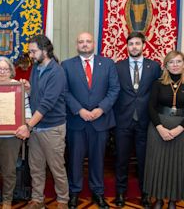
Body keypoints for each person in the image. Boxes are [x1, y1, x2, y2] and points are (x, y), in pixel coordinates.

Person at [61, 32, 120, 209]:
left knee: (98, 159)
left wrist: (101, 108)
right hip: (76, 121)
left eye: (88, 41)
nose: (85, 44)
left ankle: (98, 192)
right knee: (75, 160)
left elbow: (114, 89)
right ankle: (74, 193)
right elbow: (64, 91)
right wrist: (79, 110)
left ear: (94, 44)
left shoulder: (108, 64)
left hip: (100, 120)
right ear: (76, 45)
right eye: (81, 42)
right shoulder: (66, 65)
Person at [15, 34, 69, 209]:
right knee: (35, 167)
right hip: (36, 129)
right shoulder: (36, 69)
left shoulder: (57, 72)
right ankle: (37, 199)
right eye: (30, 52)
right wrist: (29, 90)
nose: (30, 55)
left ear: (45, 50)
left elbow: (46, 104)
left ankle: (62, 201)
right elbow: (36, 97)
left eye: (33, 51)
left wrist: (28, 126)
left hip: (52, 128)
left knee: (56, 168)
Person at [113, 31, 160, 208]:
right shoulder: (118, 67)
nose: (134, 47)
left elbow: (157, 93)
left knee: (144, 161)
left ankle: (145, 194)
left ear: (143, 46)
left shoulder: (154, 67)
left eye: (137, 44)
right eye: (131, 44)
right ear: (127, 46)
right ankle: (120, 193)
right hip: (122, 121)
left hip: (146, 122)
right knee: (121, 160)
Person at [0, 57, 32, 209]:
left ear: (11, 71)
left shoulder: (18, 87)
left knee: (9, 171)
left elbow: (27, 109)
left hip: (11, 137)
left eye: (5, 69)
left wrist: (27, 125)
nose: (2, 72)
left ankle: (7, 200)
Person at [144, 50, 184, 209]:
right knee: (157, 164)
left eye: (178, 61)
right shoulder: (158, 83)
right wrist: (160, 128)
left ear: (183, 64)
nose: (175, 65)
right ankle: (158, 199)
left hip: (181, 130)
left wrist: (179, 129)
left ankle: (173, 200)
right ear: (166, 65)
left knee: (176, 165)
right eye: (171, 62)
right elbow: (151, 107)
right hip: (158, 128)